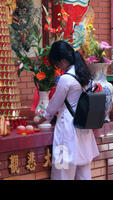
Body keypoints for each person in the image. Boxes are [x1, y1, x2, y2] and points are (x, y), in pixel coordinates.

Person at [37, 40, 99, 180]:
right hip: (83, 128)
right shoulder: (84, 74)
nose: (57, 66)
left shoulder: (66, 79)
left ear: (63, 60)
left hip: (67, 130)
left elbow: (53, 106)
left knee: (62, 173)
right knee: (84, 175)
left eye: (57, 63)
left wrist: (40, 120)